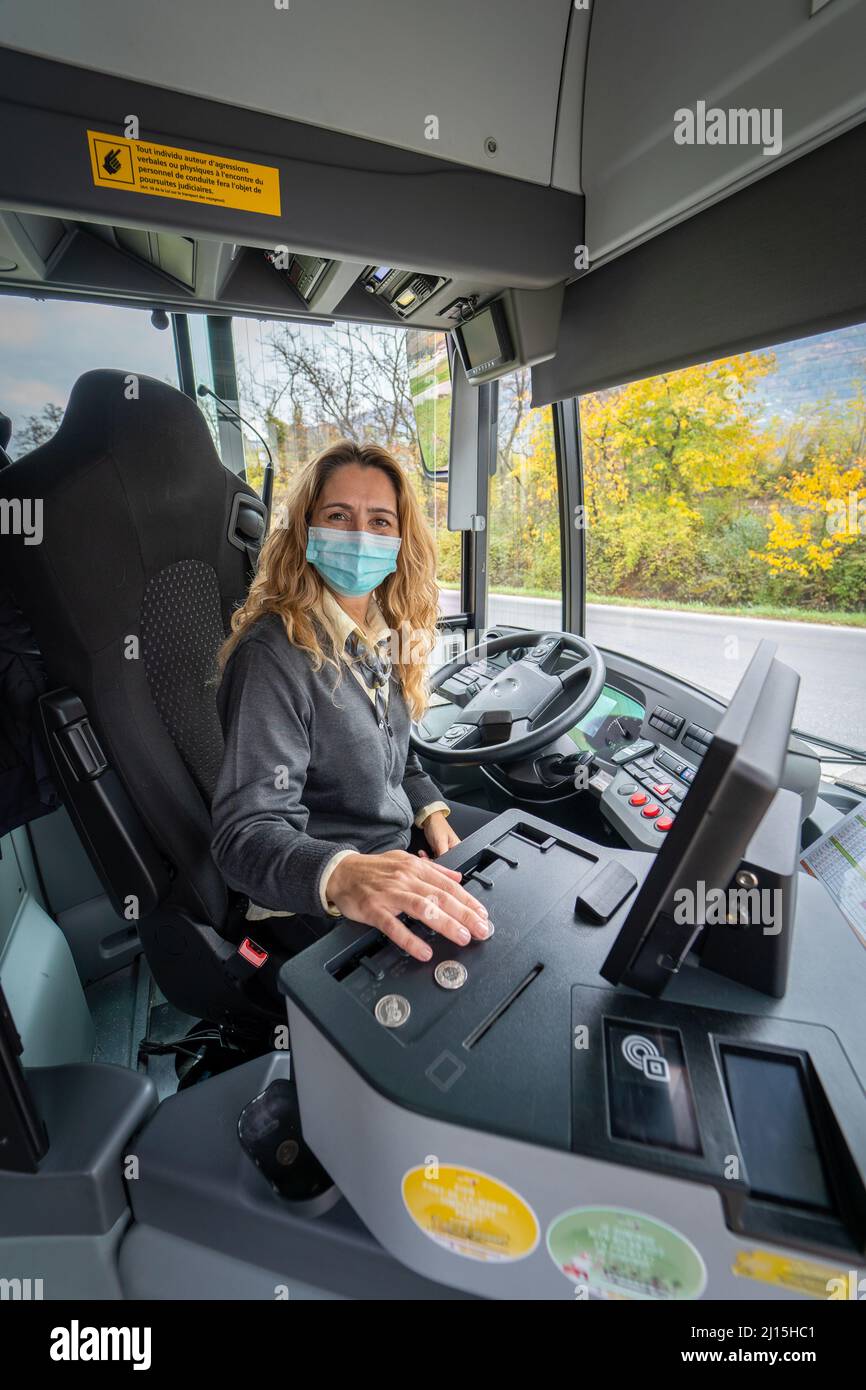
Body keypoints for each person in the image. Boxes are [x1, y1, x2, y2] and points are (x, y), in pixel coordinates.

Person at [211, 439, 495, 962]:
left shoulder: (380, 635)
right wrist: (343, 873)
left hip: (395, 852)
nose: (360, 535)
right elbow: (244, 836)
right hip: (315, 899)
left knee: (511, 857)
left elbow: (399, 755)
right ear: (307, 531)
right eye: (339, 515)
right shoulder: (272, 654)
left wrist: (431, 814)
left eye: (381, 521)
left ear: (401, 540)